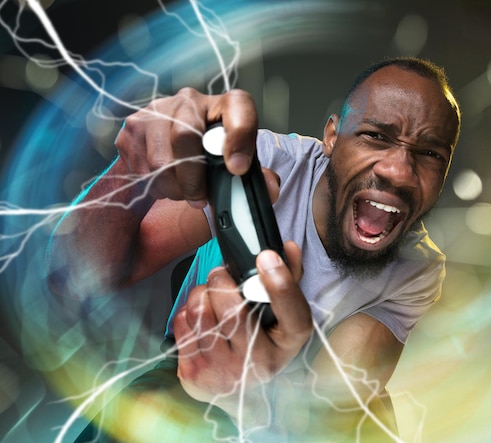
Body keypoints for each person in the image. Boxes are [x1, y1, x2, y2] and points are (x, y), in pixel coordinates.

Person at [46, 56, 461, 442]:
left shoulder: (418, 267)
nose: (399, 172)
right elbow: (77, 276)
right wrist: (130, 172)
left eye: (429, 154)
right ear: (332, 137)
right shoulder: (257, 164)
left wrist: (246, 396)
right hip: (192, 368)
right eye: (375, 136)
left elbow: (332, 402)